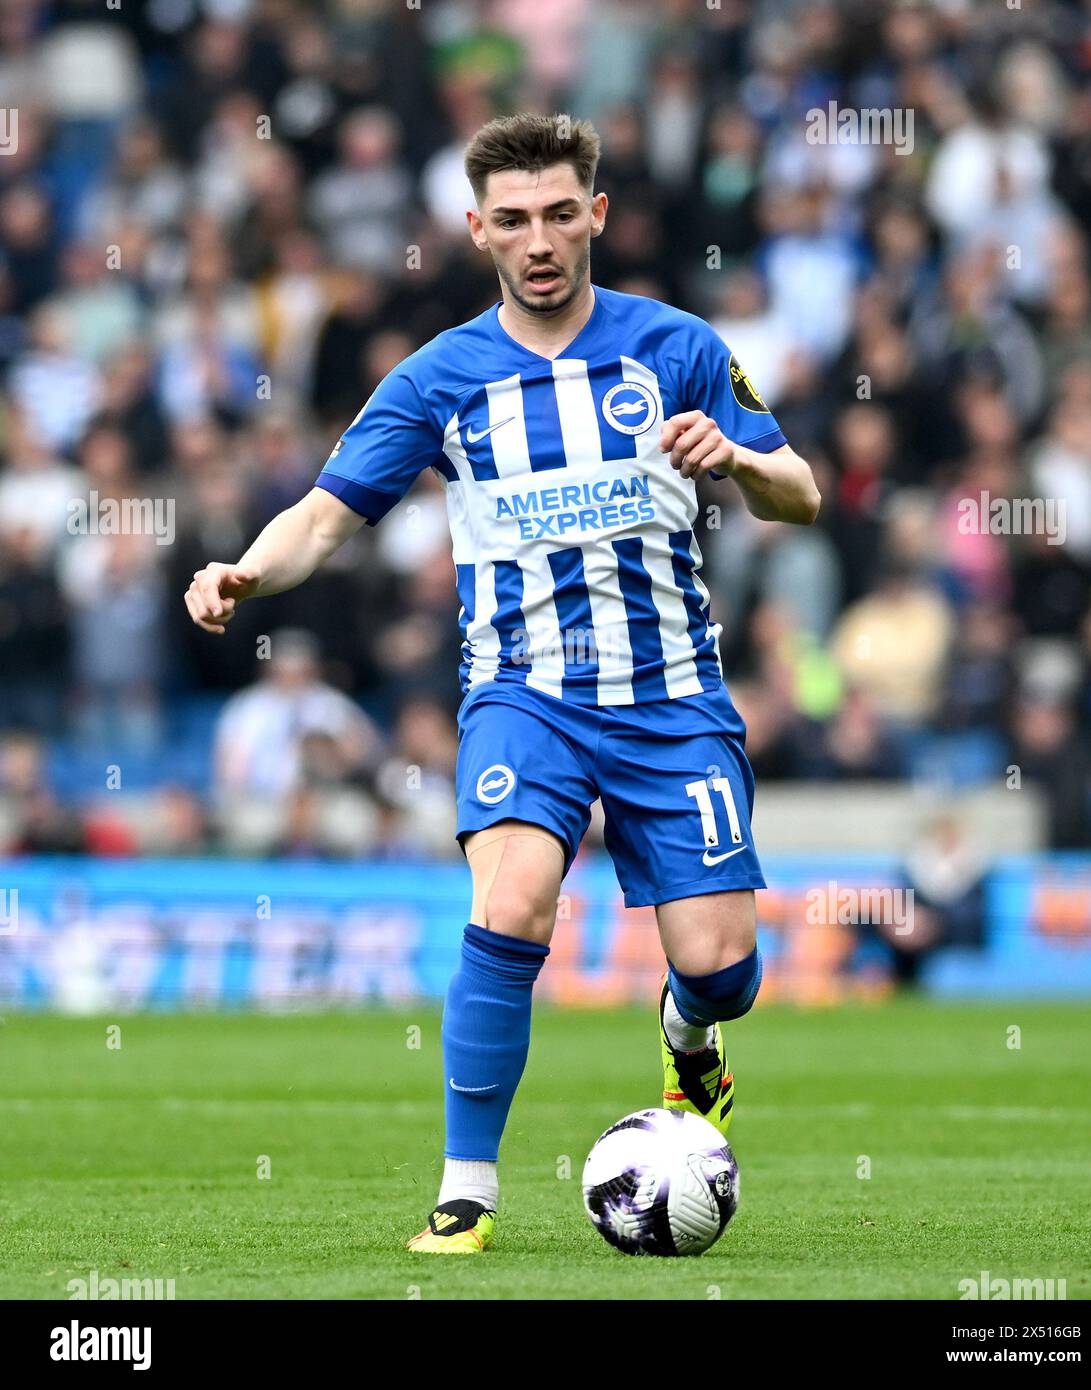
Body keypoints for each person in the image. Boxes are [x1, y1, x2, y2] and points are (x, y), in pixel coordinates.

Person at [183, 114, 820, 1254]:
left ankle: (689, 1035)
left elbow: (803, 492)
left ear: (597, 217)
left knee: (722, 969)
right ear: (477, 230)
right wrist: (247, 569)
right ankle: (465, 1188)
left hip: (672, 697)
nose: (540, 240)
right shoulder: (438, 380)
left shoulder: (674, 347)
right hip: (523, 693)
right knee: (513, 898)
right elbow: (327, 517)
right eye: (514, 220)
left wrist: (741, 461)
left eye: (560, 214)